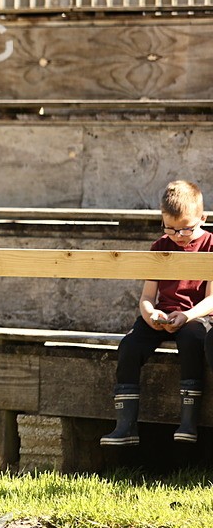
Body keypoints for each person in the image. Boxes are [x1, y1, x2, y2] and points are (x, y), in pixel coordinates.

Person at [102, 180, 213, 446]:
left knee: (192, 338)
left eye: (185, 229)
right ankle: (126, 426)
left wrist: (187, 315)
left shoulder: (210, 245)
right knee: (130, 345)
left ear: (203, 218)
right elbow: (147, 298)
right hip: (164, 314)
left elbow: (211, 299)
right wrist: (151, 314)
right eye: (170, 228)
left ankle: (188, 422)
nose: (178, 235)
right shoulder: (160, 246)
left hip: (197, 316)